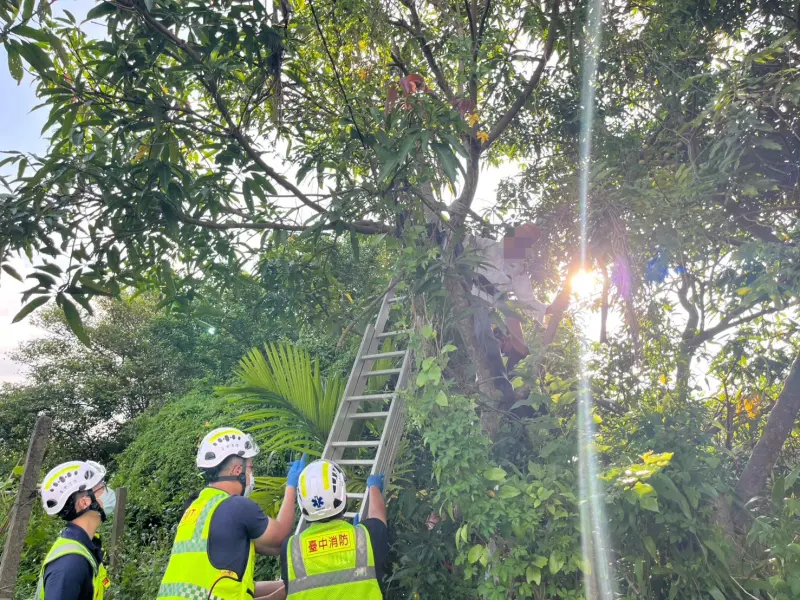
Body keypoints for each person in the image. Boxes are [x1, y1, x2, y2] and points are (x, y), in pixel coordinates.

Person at [157, 427, 307, 600]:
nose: (252, 473)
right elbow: (279, 539)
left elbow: (236, 587)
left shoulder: (195, 509)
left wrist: (283, 588)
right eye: (250, 467)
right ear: (237, 471)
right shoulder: (236, 507)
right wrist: (291, 487)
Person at [281, 460, 389, 599]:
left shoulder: (290, 549)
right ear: (343, 496)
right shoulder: (366, 536)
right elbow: (378, 517)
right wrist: (373, 487)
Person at [36, 460, 116, 600]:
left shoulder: (85, 547)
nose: (108, 492)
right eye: (102, 487)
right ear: (85, 502)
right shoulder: (70, 563)